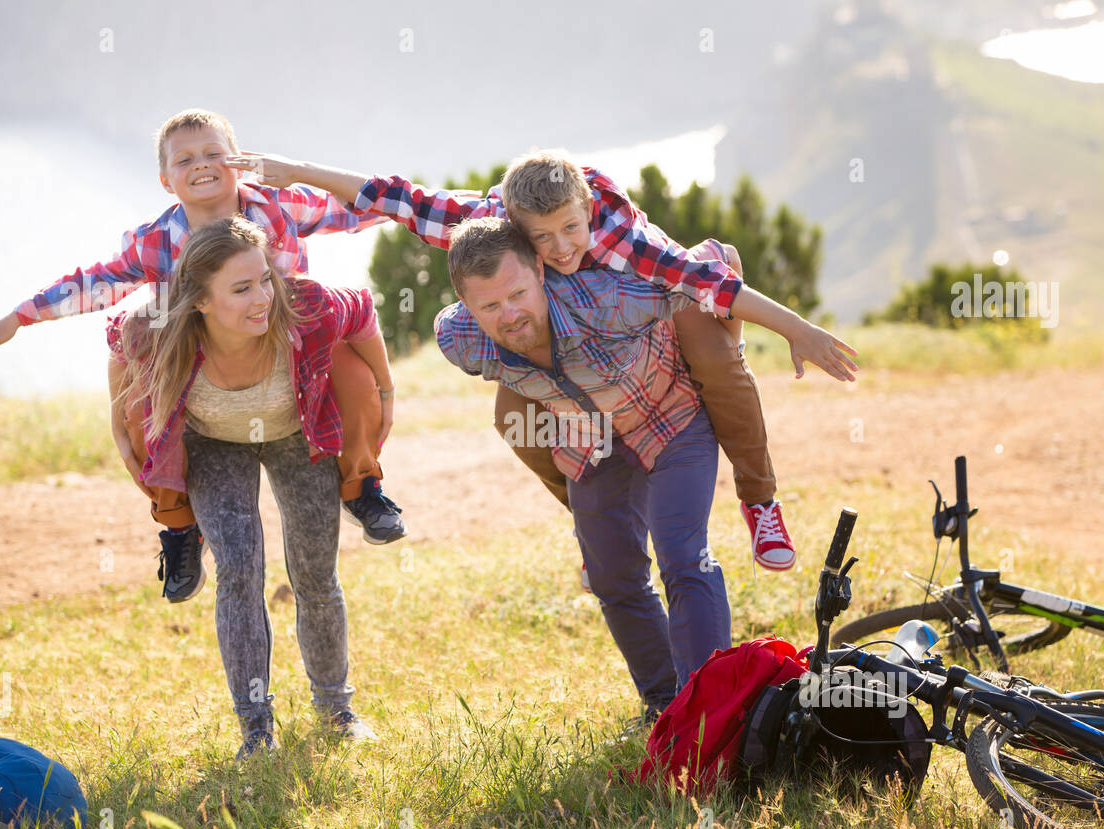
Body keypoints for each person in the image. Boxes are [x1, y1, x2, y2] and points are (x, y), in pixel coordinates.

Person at [225, 148, 858, 575]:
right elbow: (399, 199)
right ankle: (597, 532)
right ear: (512, 220)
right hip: (579, 340)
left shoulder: (617, 236)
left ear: (585, 210)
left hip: (671, 306)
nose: (557, 248)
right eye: (540, 237)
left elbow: (706, 284)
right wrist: (296, 170)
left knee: (715, 358)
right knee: (514, 419)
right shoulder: (495, 219)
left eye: (569, 230)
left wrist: (798, 329)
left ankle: (759, 501)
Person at [0, 109, 406, 604]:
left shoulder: (280, 207)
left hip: (292, 360)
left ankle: (361, 486)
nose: (201, 164)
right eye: (184, 159)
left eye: (215, 153)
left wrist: (436, 206)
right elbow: (95, 284)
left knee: (354, 370)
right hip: (205, 373)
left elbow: (358, 207)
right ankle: (178, 526)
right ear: (165, 181)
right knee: (137, 402)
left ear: (240, 163)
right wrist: (20, 317)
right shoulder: (156, 242)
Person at [437, 217, 735, 722]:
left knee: (684, 557)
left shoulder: (608, 295)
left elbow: (710, 268)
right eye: (488, 306)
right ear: (467, 308)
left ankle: (712, 712)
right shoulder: (459, 341)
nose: (508, 315)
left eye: (517, 294)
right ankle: (667, 705)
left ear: (539, 269)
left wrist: (777, 334)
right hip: (589, 436)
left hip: (669, 413)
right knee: (610, 575)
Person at [108, 216, 382, 757]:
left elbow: (365, 311)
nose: (262, 298)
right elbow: (119, 338)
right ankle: (256, 730)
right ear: (202, 301)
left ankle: (336, 711)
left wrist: (388, 389)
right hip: (214, 443)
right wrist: (119, 419)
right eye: (241, 288)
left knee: (314, 570)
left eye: (264, 280)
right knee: (238, 569)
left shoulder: (305, 305)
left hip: (295, 433)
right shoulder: (161, 327)